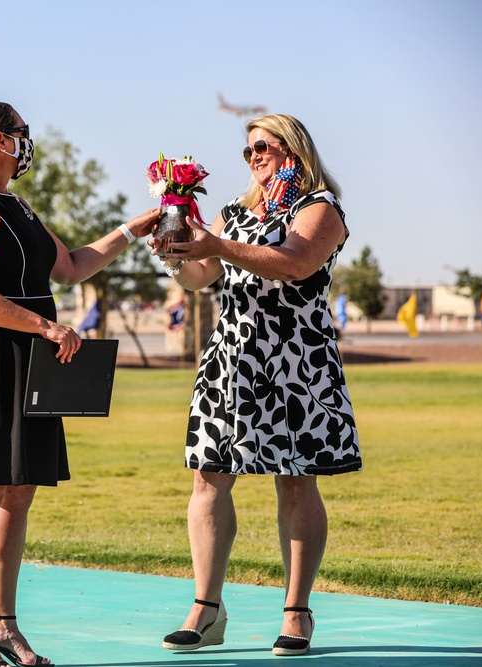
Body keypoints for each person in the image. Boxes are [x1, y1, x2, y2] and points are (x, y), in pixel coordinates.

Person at [0, 101, 160, 667]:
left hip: (33, 356)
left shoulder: (18, 204)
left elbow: (72, 266)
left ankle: (4, 623)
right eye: (21, 132)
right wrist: (47, 326)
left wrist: (135, 227)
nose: (29, 140)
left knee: (20, 488)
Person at [151, 114, 362, 656]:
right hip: (232, 359)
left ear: (292, 147)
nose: (253, 158)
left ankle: (296, 612)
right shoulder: (234, 213)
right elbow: (201, 279)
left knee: (296, 481)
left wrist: (215, 248)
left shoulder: (319, 208)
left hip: (297, 362)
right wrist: (176, 253)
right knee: (208, 479)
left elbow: (293, 263)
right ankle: (207, 607)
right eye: (247, 151)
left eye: (262, 147)